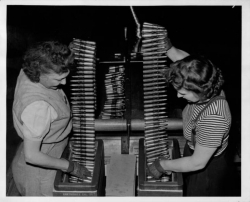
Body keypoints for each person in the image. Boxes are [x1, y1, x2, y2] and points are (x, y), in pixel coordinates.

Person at [147, 36, 232, 196]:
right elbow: (187, 63)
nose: (178, 96)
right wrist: (168, 47)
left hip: (206, 170)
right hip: (194, 147)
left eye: (183, 92)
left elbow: (197, 163)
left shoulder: (214, 117)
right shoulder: (207, 79)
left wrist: (162, 165)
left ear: (200, 90)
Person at [12, 41, 91, 196]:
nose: (64, 83)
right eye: (58, 79)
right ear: (39, 73)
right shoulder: (38, 108)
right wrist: (70, 166)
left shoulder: (29, 70)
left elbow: (49, 56)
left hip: (49, 148)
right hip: (39, 173)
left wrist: (68, 53)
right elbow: (32, 156)